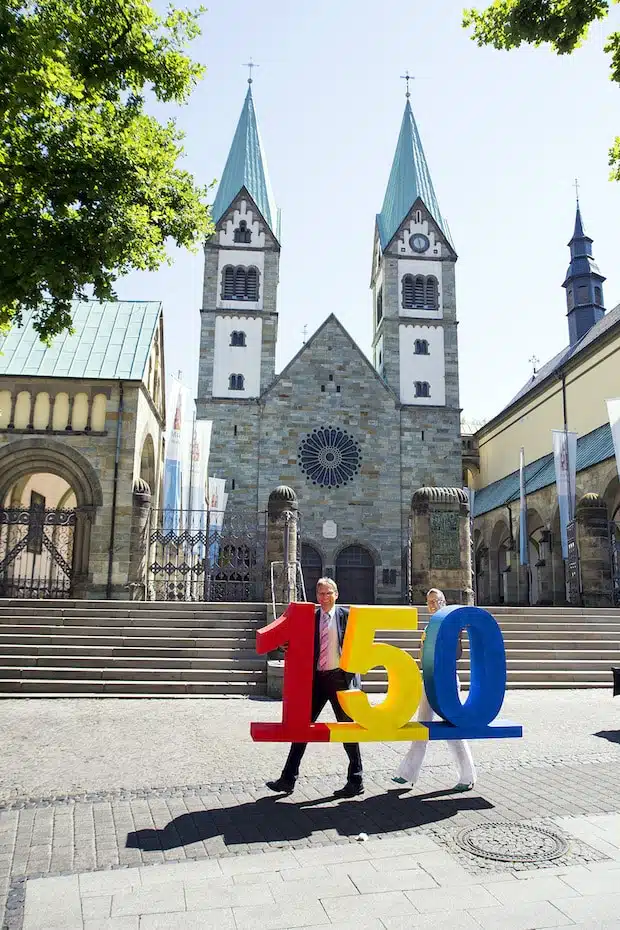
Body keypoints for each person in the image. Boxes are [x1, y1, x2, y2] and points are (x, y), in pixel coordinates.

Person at [266, 577, 364, 797]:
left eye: (328, 593)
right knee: (302, 727)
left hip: (340, 678)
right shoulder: (310, 618)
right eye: (320, 594)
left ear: (336, 594)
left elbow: (360, 645)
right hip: (317, 680)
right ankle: (287, 779)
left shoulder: (346, 616)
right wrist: (285, 645)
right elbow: (295, 641)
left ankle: (356, 779)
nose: (324, 597)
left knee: (347, 728)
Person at [392, 587, 476, 791]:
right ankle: (408, 773)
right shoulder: (430, 626)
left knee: (452, 729)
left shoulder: (451, 624)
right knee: (422, 726)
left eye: (436, 601)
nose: (432, 604)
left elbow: (457, 653)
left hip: (446, 682)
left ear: (444, 602)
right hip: (429, 680)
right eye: (429, 601)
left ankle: (467, 776)